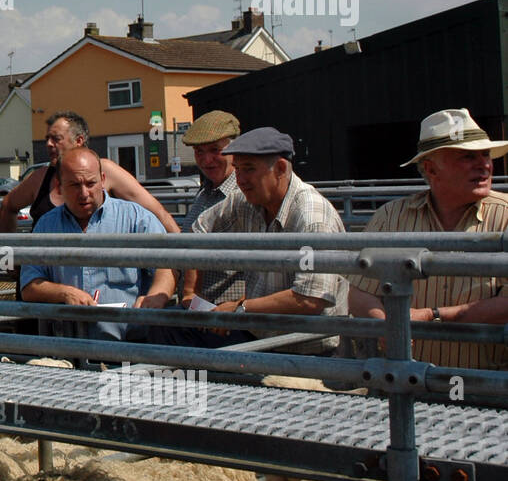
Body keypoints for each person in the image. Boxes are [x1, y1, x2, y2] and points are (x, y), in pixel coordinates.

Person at [138, 127, 348, 348]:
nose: (241, 180)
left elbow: (309, 299)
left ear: (280, 168)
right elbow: (197, 233)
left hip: (305, 345)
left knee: (177, 334)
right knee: (167, 323)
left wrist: (240, 308)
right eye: (237, 169)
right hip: (259, 332)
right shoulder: (246, 201)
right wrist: (191, 293)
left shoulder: (311, 217)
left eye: (249, 169)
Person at [348, 109, 508, 369]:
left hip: (489, 388)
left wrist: (432, 317)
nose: (484, 165)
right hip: (410, 386)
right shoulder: (390, 218)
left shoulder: (506, 217)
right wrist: (385, 324)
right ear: (432, 170)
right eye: (468, 156)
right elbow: (359, 292)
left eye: (486, 154)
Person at [20, 148, 174, 341]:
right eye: (74, 185)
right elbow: (29, 286)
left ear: (103, 179)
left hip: (130, 346)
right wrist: (65, 293)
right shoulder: (46, 226)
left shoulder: (135, 218)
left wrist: (158, 296)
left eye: (91, 183)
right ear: (59, 187)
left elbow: (165, 268)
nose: (84, 193)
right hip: (69, 348)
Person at [0, 112, 180, 234]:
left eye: (56, 139)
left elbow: (158, 213)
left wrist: (187, 258)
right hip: (42, 280)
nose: (48, 144)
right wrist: (9, 258)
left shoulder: (106, 170)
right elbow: (8, 205)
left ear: (79, 140)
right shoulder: (41, 177)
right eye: (47, 139)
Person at [178, 110, 244, 308]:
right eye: (199, 152)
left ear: (235, 149)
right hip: (203, 309)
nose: (206, 161)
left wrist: (242, 306)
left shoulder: (244, 194)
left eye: (215, 150)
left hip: (229, 312)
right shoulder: (205, 194)